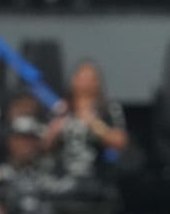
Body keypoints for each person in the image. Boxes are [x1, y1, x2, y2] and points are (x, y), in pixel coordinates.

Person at [43, 60, 127, 202]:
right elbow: (43, 146)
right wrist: (54, 132)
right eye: (81, 78)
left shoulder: (108, 109)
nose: (85, 83)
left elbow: (120, 141)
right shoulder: (60, 110)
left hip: (96, 177)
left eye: (90, 79)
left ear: (98, 83)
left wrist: (95, 125)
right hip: (62, 178)